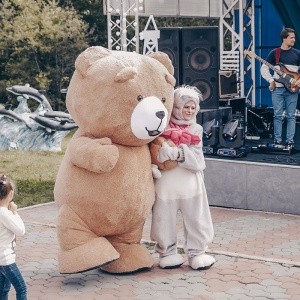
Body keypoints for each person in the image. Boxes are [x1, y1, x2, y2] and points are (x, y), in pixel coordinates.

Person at [150, 85, 215, 270]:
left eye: (193, 107)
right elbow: (153, 153)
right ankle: (168, 252)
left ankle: (197, 253)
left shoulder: (197, 129)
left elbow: (198, 161)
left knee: (197, 219)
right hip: (166, 186)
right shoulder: (160, 128)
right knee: (164, 219)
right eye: (186, 106)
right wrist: (160, 156)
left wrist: (177, 153)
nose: (189, 111)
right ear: (176, 106)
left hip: (190, 185)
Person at [261, 27, 300, 148]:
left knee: (291, 116)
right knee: (277, 115)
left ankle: (290, 142)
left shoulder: (297, 53)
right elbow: (264, 68)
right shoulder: (275, 53)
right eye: (291, 37)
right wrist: (271, 80)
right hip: (277, 88)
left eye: (294, 37)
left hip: (293, 88)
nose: (293, 40)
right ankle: (277, 141)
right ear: (284, 38)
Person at [0, 175, 27, 300]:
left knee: (3, 291)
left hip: (1, 261)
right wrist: (15, 212)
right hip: (7, 261)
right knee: (21, 288)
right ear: (11, 194)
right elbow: (21, 231)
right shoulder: (5, 213)